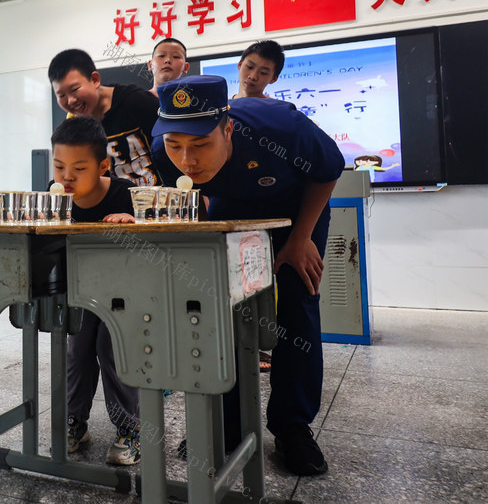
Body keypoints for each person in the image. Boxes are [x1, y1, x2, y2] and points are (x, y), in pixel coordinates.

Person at [149, 74, 343, 476]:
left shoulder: (280, 128)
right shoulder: (162, 147)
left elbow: (327, 170)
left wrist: (301, 237)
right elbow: (191, 205)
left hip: (296, 206)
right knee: (223, 307)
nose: (186, 159)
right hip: (231, 205)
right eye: (175, 145)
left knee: (298, 300)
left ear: (228, 129)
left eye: (200, 144)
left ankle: (292, 426)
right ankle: (228, 420)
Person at [49, 116, 140, 464]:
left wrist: (133, 222)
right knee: (77, 348)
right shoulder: (55, 196)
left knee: (111, 346)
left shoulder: (124, 194)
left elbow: (151, 240)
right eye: (59, 166)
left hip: (124, 295)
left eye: (78, 168)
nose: (66, 177)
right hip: (80, 292)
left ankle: (130, 428)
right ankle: (75, 420)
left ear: (103, 166)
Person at [49, 49, 160, 186]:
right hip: (116, 198)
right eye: (61, 95)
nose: (71, 100)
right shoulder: (74, 122)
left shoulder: (138, 102)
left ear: (95, 80)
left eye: (75, 89)